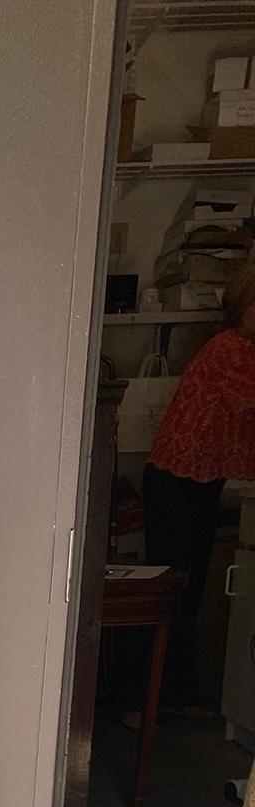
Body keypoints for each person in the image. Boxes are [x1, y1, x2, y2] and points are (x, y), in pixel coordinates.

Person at [140, 261, 255, 713]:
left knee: (182, 593)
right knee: (178, 593)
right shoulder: (232, 351)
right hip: (180, 481)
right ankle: (157, 703)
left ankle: (168, 700)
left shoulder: (233, 348)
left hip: (189, 480)